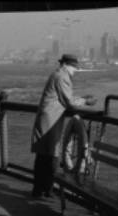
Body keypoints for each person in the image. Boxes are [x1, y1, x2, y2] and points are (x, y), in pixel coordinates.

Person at [30, 54, 96, 198]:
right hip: (51, 120)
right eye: (74, 67)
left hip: (47, 118)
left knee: (42, 157)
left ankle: (39, 189)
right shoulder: (62, 77)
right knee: (52, 156)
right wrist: (86, 101)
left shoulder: (56, 74)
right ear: (66, 65)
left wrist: (81, 99)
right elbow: (69, 101)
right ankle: (47, 189)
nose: (75, 71)